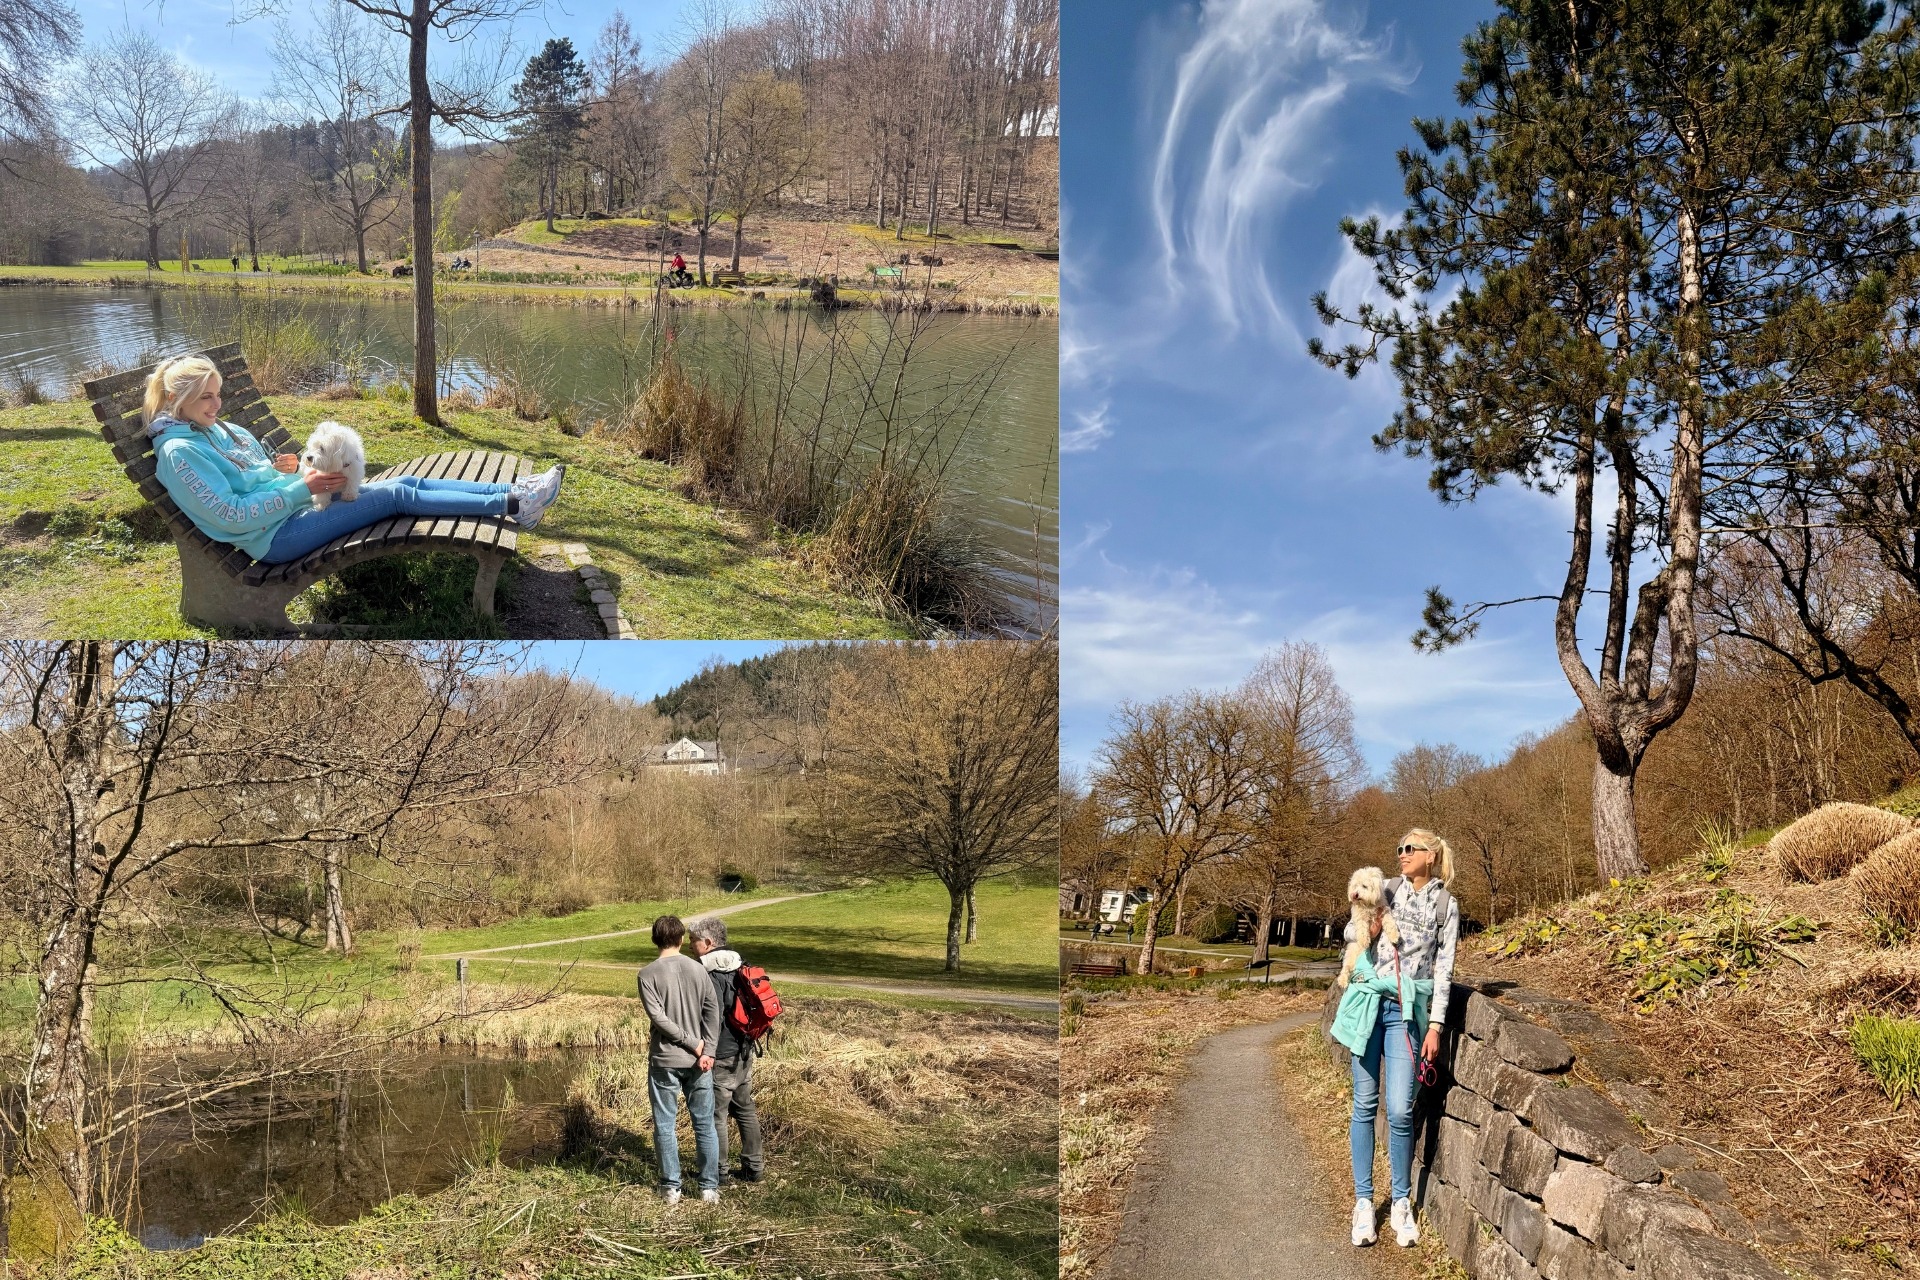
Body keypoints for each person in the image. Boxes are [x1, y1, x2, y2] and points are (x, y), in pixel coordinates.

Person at [141, 355, 565, 566]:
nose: (217, 404)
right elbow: (230, 515)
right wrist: (298, 489)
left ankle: (511, 491)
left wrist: (283, 471)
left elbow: (250, 477)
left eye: (218, 394)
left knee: (411, 481)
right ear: (180, 401)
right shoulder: (181, 454)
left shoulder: (213, 429)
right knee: (397, 493)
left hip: (297, 509)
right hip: (275, 538)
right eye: (206, 397)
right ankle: (515, 507)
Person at [1328, 829, 1460, 1250]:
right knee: (1364, 1105)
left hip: (1406, 1013)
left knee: (1401, 1110)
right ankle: (1364, 1202)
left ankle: (1400, 1202)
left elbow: (1444, 969)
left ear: (1431, 856)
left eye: (1410, 849)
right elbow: (1350, 932)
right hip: (1368, 1004)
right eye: (1400, 849)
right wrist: (1372, 925)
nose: (1401, 855)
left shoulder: (1445, 905)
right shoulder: (1383, 888)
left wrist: (1436, 1027)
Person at [637, 914, 722, 1205]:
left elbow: (658, 1019)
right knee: (704, 1124)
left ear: (654, 939)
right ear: (682, 939)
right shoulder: (699, 970)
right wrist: (707, 1050)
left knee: (664, 1124)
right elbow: (714, 1012)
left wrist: (698, 1046)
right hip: (700, 1062)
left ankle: (671, 1187)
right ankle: (709, 1188)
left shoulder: (647, 974)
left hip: (665, 1060)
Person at [687, 916, 765, 1184]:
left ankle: (718, 1172)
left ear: (708, 942)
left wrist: (703, 1049)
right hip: (745, 1049)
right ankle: (754, 1168)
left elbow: (712, 1018)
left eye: (693, 941)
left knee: (716, 1114)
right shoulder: (740, 964)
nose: (689, 946)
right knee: (745, 1108)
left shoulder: (708, 972)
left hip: (721, 1054)